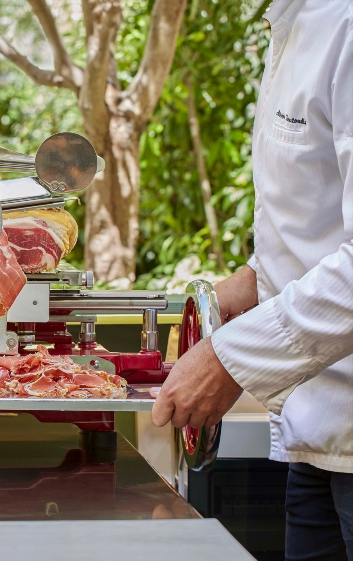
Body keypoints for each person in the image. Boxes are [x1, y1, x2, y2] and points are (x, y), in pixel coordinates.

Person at [151, 1, 353, 559]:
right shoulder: (290, 22)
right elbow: (321, 220)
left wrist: (231, 359)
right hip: (314, 441)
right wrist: (257, 280)